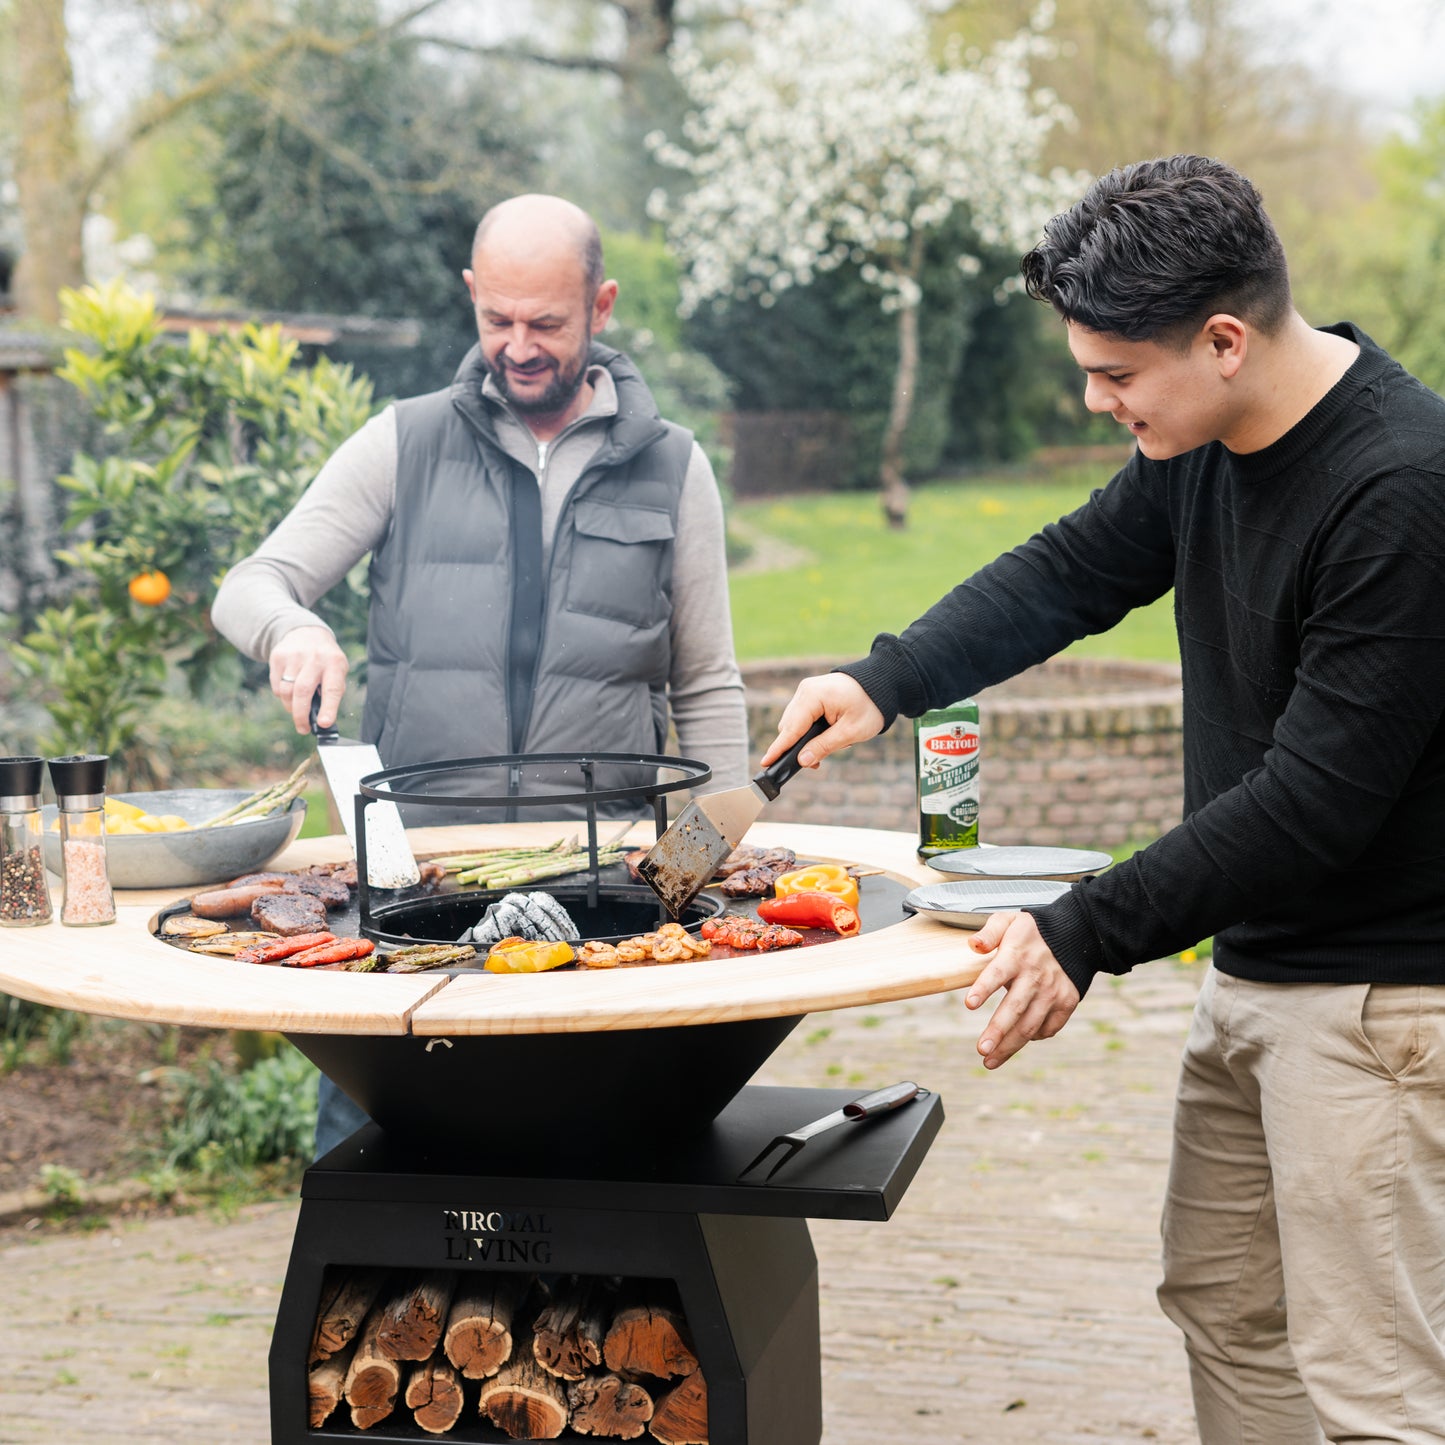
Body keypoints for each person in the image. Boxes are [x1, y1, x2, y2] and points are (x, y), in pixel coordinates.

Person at [763, 155, 1445, 1443]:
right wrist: (884, 676)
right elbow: (1070, 571)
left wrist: (1081, 927)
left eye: (1116, 374)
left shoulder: (1402, 489)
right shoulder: (1208, 439)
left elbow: (1311, 801)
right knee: (1224, 1310)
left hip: (1377, 1006)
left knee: (1379, 1391)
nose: (1093, 398)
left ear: (1224, 339)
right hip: (1254, 973)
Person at [212, 193, 749, 1154]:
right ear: (470, 295)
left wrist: (690, 882)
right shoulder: (402, 443)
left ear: (602, 303)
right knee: (379, 1189)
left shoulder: (674, 468)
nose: (518, 344)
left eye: (545, 322)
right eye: (495, 318)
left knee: (611, 1182)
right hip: (415, 902)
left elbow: (706, 685)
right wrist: (291, 629)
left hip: (603, 904)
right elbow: (252, 584)